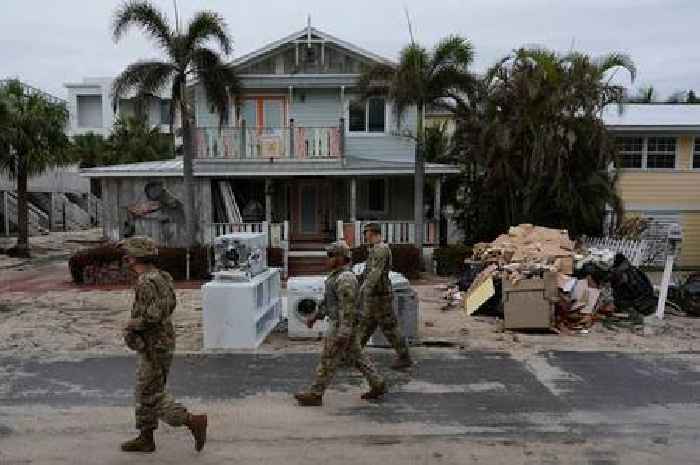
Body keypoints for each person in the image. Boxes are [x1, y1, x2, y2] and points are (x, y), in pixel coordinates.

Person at [118, 236, 207, 453]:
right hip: (159, 342)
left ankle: (192, 421)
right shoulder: (161, 276)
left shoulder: (146, 282)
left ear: (136, 257)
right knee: (145, 389)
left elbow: (154, 316)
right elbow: (170, 304)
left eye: (128, 254)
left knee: (151, 394)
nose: (126, 258)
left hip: (153, 344)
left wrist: (132, 324)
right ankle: (145, 437)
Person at [294, 240, 386, 406]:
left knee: (328, 359)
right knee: (357, 357)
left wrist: (343, 332)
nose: (327, 259)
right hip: (342, 324)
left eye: (331, 256)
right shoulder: (336, 276)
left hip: (341, 325)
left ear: (341, 258)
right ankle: (377, 384)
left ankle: (315, 394)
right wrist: (316, 316)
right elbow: (330, 301)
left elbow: (347, 308)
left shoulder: (345, 279)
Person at [358, 223, 413, 369]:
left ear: (373, 233)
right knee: (365, 326)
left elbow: (376, 273)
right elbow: (368, 272)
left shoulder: (381, 249)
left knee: (389, 327)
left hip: (380, 296)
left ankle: (404, 357)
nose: (365, 236)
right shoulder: (374, 249)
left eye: (366, 232)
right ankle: (352, 354)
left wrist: (364, 290)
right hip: (374, 295)